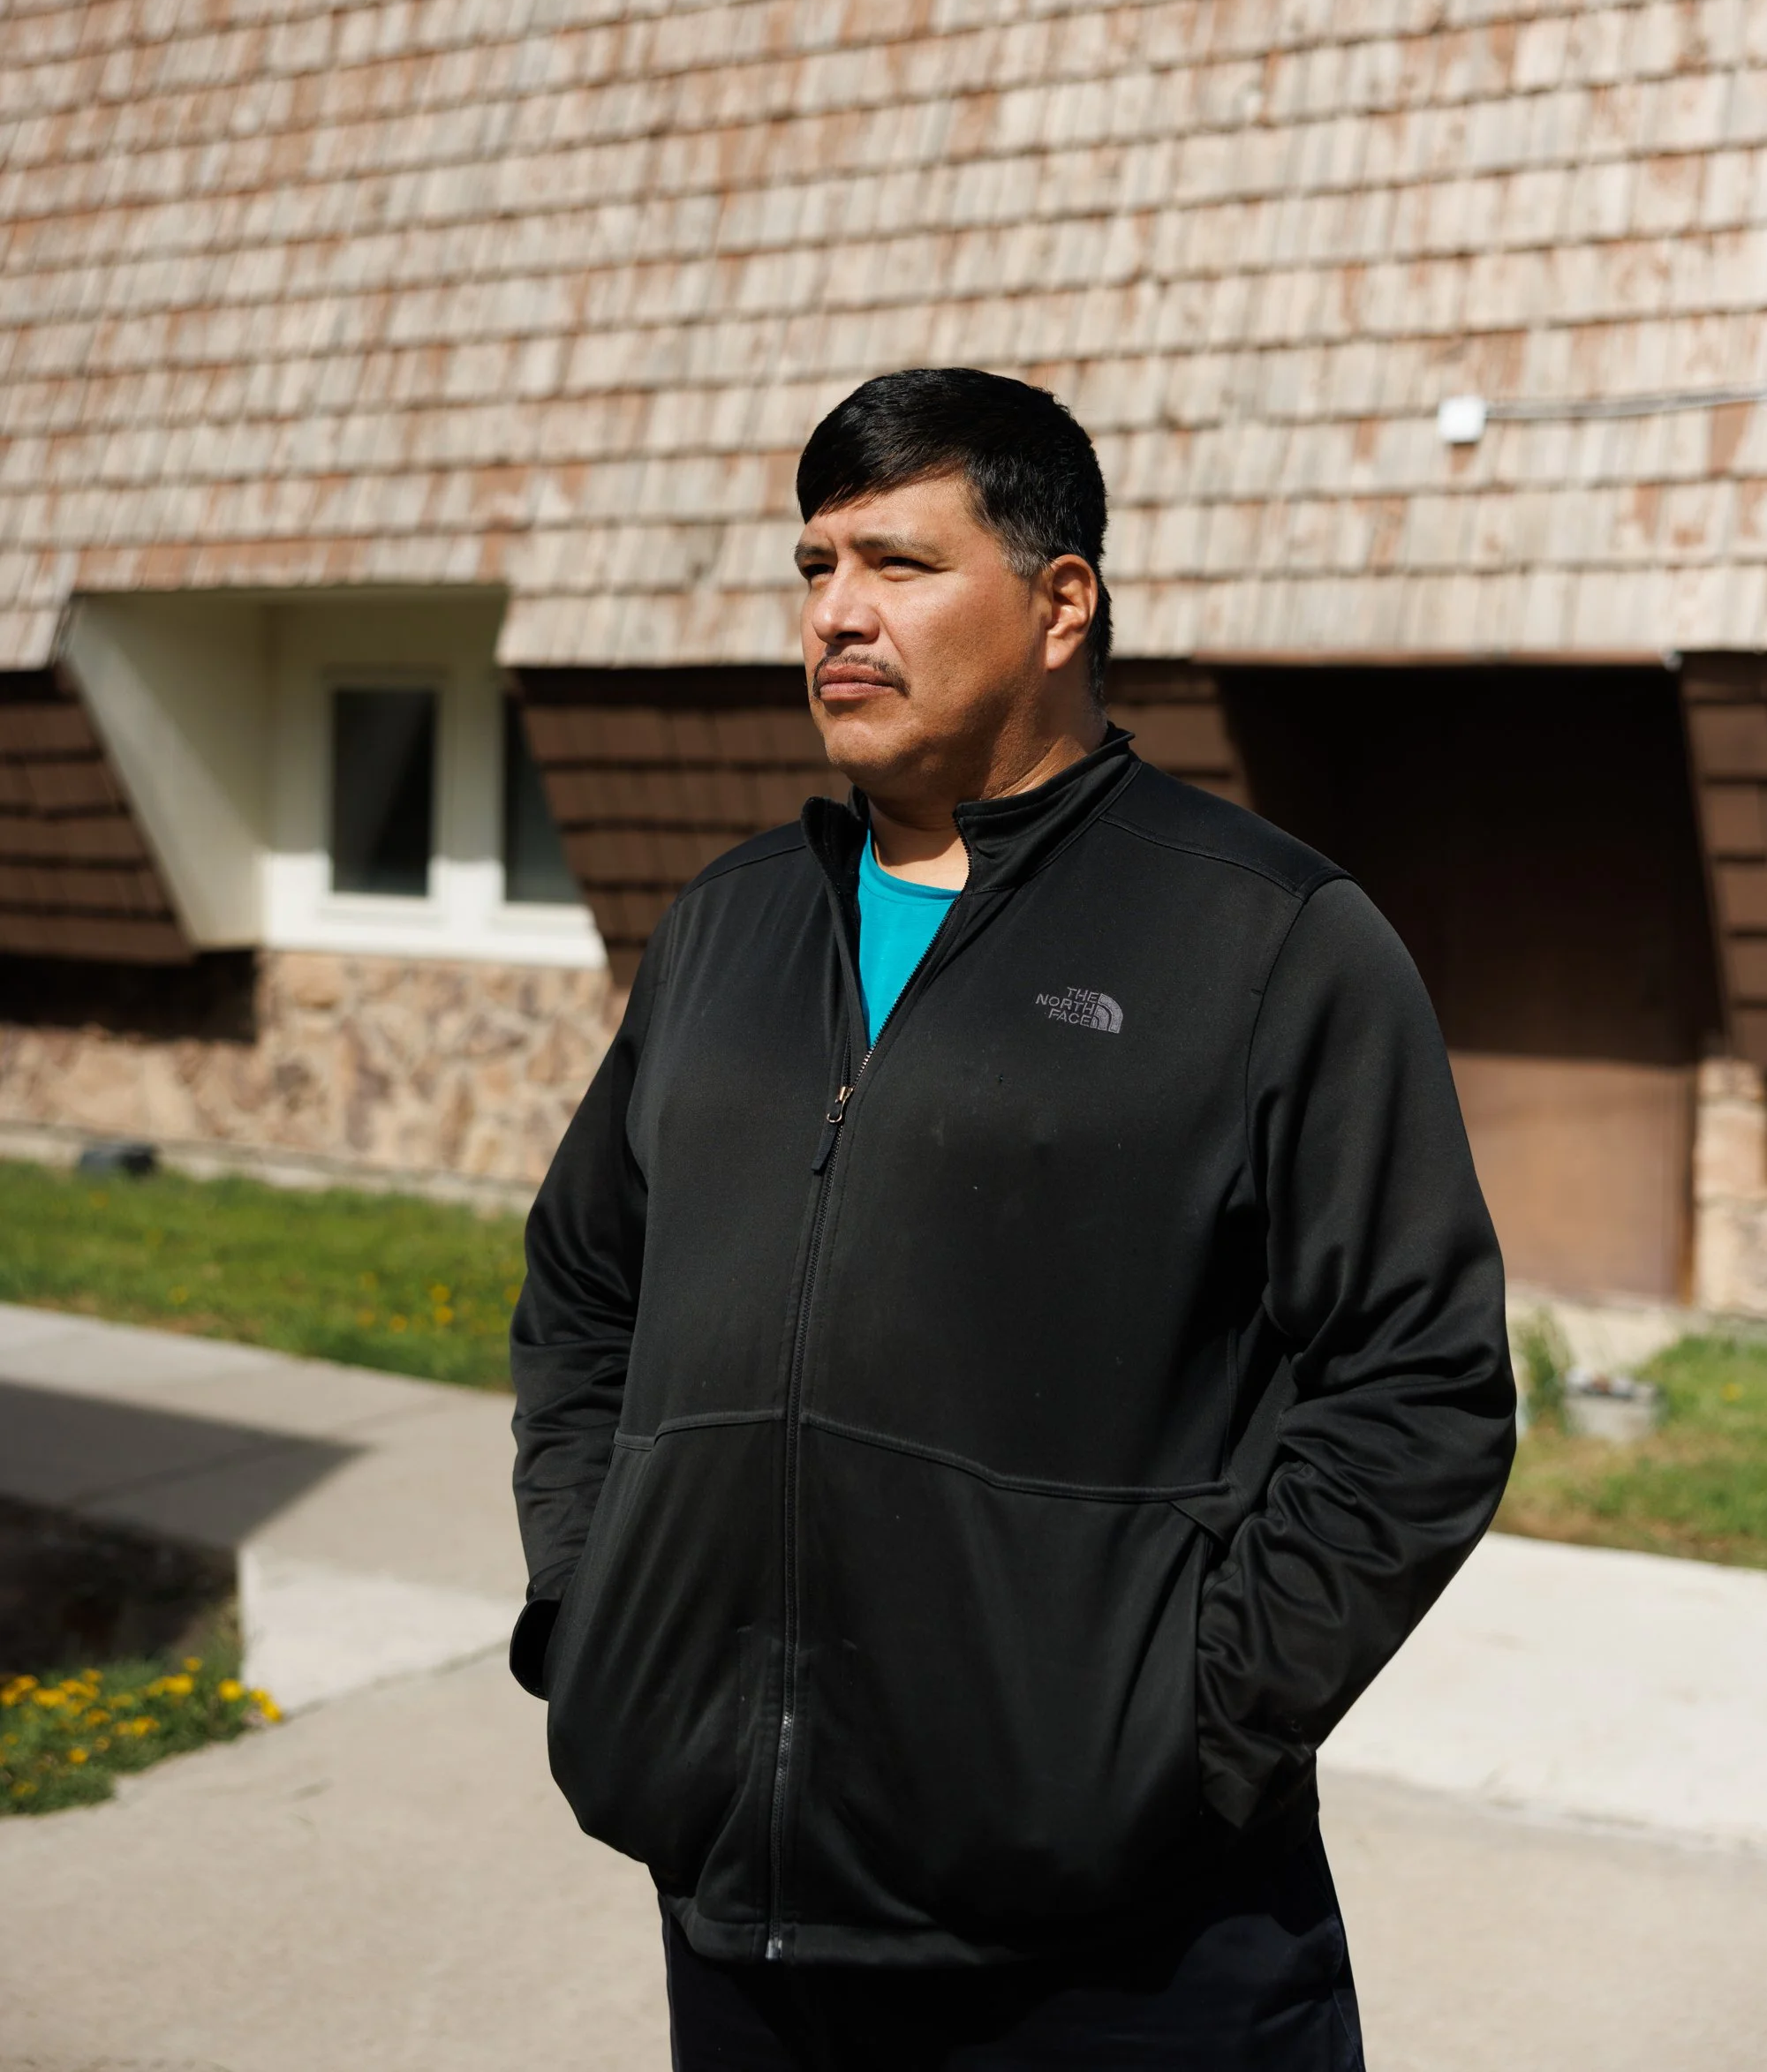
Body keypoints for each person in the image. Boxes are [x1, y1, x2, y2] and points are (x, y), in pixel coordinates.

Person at [510, 366, 1514, 2070]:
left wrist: (1185, 1737)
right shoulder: (730, 928)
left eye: (897, 566)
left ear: (1062, 602)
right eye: (816, 565)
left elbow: (1419, 1386)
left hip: (1128, 1952)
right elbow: (584, 1291)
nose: (837, 614)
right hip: (748, 1932)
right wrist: (594, 1617)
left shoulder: (1264, 936)